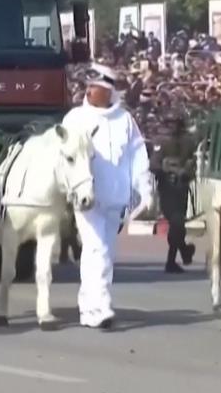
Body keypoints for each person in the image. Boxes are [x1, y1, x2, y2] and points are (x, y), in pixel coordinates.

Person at [62, 64, 153, 329]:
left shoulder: (124, 120)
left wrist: (145, 189)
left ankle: (89, 307)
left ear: (108, 91)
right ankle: (100, 306)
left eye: (96, 87)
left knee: (105, 253)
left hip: (116, 199)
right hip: (88, 198)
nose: (89, 91)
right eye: (89, 87)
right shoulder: (75, 118)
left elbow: (137, 156)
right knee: (96, 249)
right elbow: (65, 158)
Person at [151, 115, 196, 273]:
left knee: (177, 225)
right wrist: (168, 169)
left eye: (175, 124)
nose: (173, 128)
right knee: (177, 224)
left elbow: (192, 166)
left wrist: (185, 172)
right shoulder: (163, 143)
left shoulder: (188, 143)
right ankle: (182, 252)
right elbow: (154, 165)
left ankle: (176, 257)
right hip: (167, 189)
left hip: (179, 189)